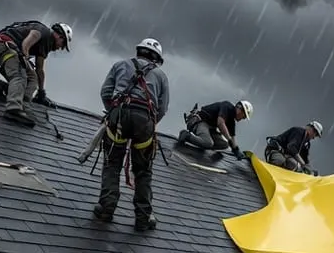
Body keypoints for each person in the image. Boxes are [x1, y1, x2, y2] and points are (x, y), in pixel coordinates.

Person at [93, 38, 169, 233]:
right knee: (143, 171)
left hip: (119, 116)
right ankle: (142, 219)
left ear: (139, 51)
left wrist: (113, 112)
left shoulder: (120, 65)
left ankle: (106, 209)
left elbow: (106, 92)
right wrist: (149, 123)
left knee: (112, 163)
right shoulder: (161, 76)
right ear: (157, 58)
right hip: (144, 121)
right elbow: (162, 108)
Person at [0, 20, 72, 126]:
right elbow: (27, 42)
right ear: (59, 36)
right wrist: (24, 58)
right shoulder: (43, 32)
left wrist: (41, 93)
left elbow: (39, 70)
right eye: (63, 44)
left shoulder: (46, 43)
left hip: (4, 49)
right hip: (3, 46)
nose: (60, 48)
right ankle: (13, 109)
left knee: (32, 78)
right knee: (20, 76)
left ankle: (20, 102)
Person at [182, 98, 253, 159]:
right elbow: (220, 123)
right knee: (208, 143)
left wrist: (236, 149)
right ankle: (186, 135)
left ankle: (202, 143)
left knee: (224, 144)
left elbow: (232, 137)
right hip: (199, 121)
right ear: (240, 109)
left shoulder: (231, 121)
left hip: (210, 128)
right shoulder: (227, 106)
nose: (243, 119)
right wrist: (229, 139)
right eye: (244, 116)